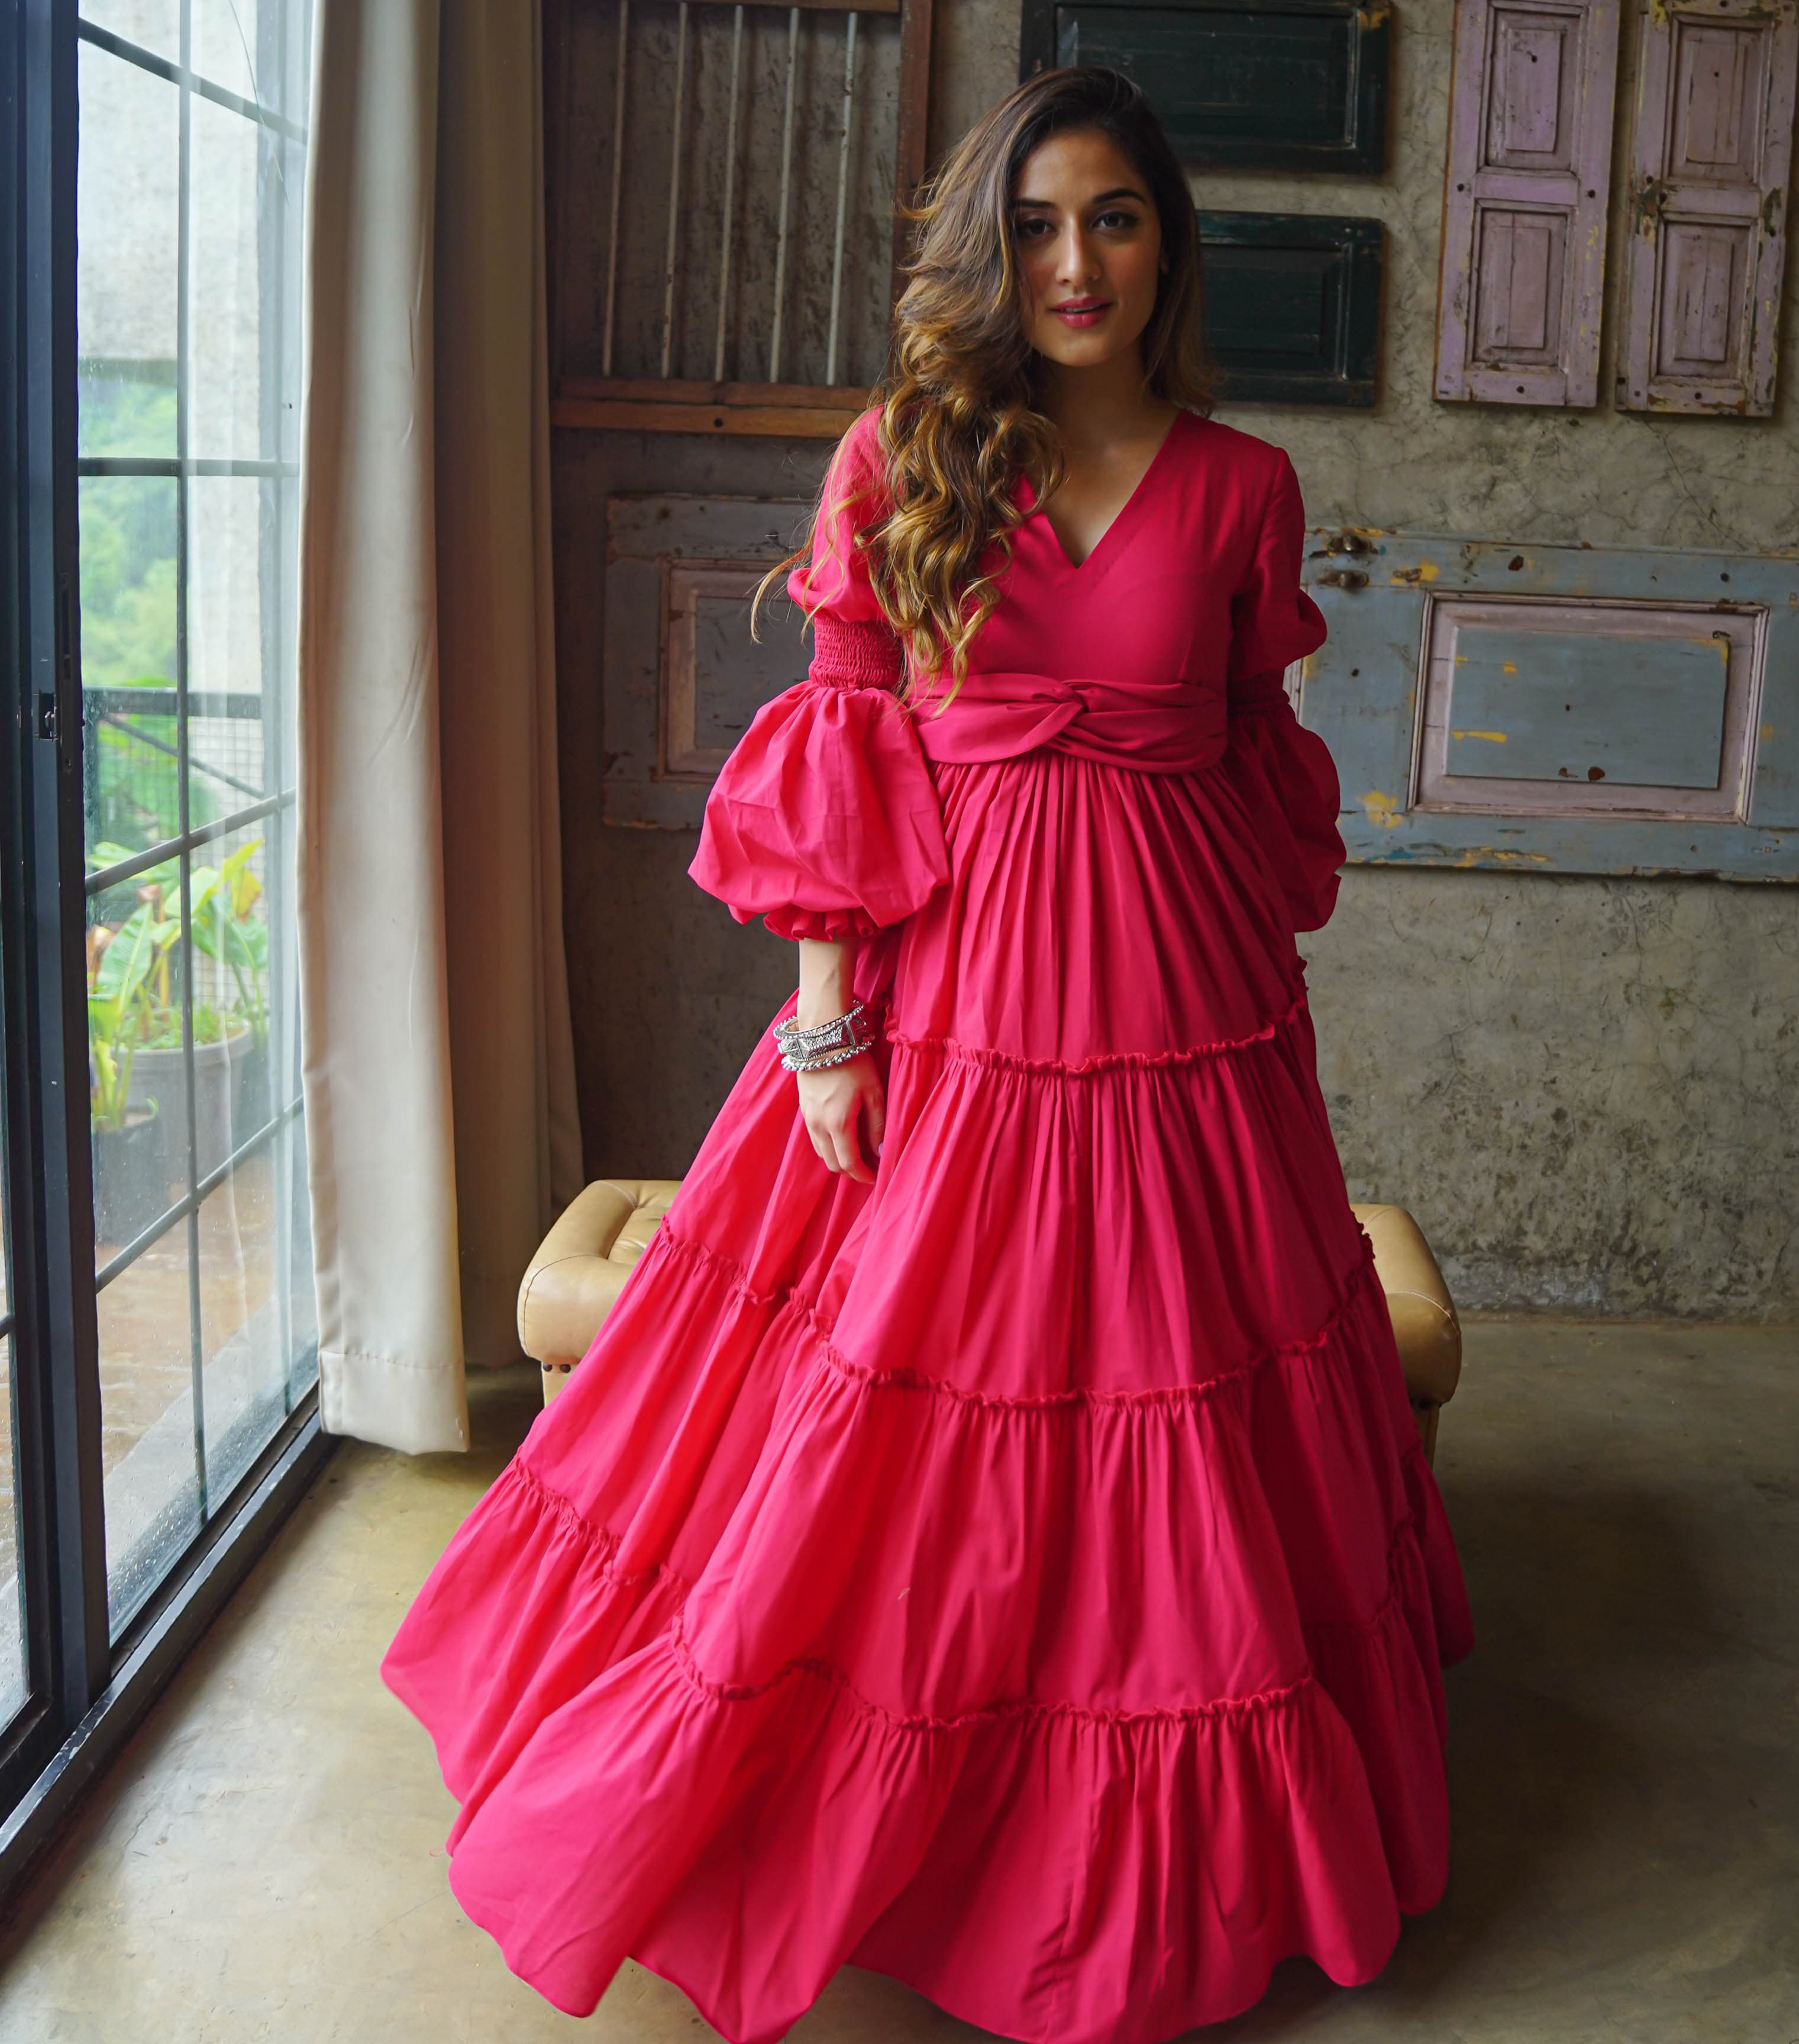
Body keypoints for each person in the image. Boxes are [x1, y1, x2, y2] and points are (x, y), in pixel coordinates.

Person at [382, 63, 1471, 2044]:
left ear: (1168, 249)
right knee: (885, 1429)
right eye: (1041, 223)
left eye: (1117, 220)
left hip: (1171, 1016)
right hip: (945, 1000)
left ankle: (1119, 1851)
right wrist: (825, 1027)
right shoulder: (902, 454)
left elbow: (1241, 748)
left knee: (1175, 1422)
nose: (1077, 262)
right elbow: (840, 744)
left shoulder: (1243, 484)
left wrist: (1239, 1043)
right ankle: (831, 1822)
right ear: (994, 249)